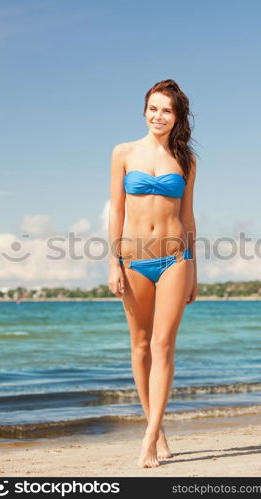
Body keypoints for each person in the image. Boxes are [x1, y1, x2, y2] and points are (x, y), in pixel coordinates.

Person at [108, 79, 197, 468]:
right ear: (144, 110)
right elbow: (117, 210)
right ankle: (157, 426)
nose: (159, 116)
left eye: (167, 110)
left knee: (163, 347)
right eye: (153, 108)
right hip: (134, 260)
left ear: (177, 117)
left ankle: (148, 437)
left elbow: (187, 215)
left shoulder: (186, 160)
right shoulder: (123, 152)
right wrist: (113, 262)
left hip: (175, 258)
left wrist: (194, 267)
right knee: (140, 346)